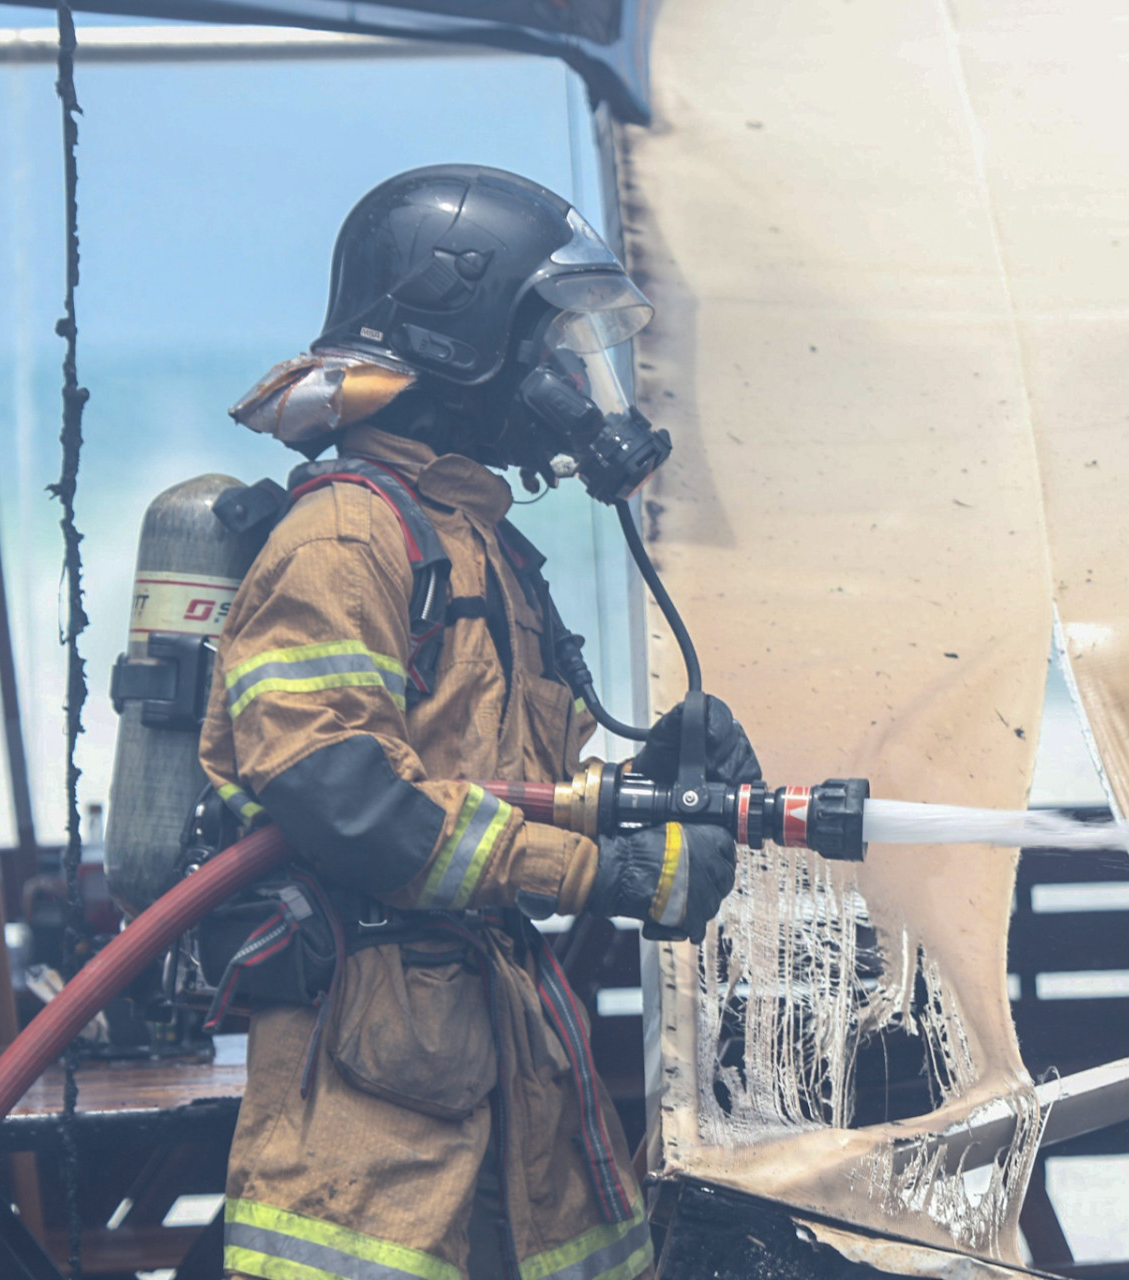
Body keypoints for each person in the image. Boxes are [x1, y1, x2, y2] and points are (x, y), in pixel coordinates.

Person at [198, 164, 758, 1280]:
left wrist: (653, 790)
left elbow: (507, 789)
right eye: (547, 347)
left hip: (500, 1058)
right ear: (462, 345)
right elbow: (345, 794)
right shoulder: (346, 538)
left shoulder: (480, 545)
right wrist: (600, 872)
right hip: (372, 1093)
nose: (569, 381)